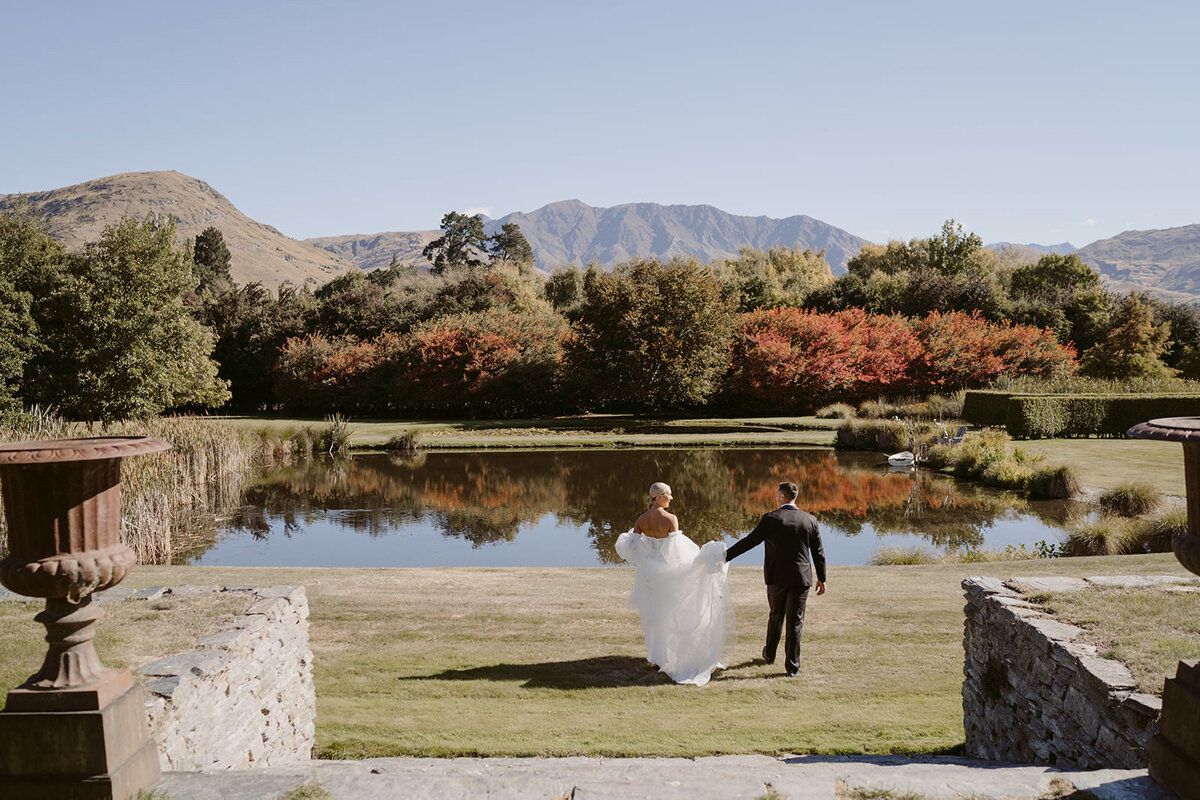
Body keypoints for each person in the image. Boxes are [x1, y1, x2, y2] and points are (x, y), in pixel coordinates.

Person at [614, 482, 734, 686]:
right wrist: (695, 563)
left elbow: (632, 547)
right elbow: (676, 549)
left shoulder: (642, 519)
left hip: (649, 575)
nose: (671, 498)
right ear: (659, 497)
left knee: (655, 616)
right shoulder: (670, 519)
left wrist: (648, 555)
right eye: (668, 495)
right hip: (668, 571)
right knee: (673, 613)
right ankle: (672, 657)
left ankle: (657, 656)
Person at [725, 481, 826, 677]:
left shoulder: (771, 518)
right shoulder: (810, 520)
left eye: (776, 494)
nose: (774, 497)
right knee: (795, 622)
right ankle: (792, 667)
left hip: (776, 577)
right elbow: (818, 552)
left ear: (782, 497)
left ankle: (769, 654)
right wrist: (822, 578)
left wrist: (725, 556)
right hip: (801, 578)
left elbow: (749, 541)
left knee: (775, 615)